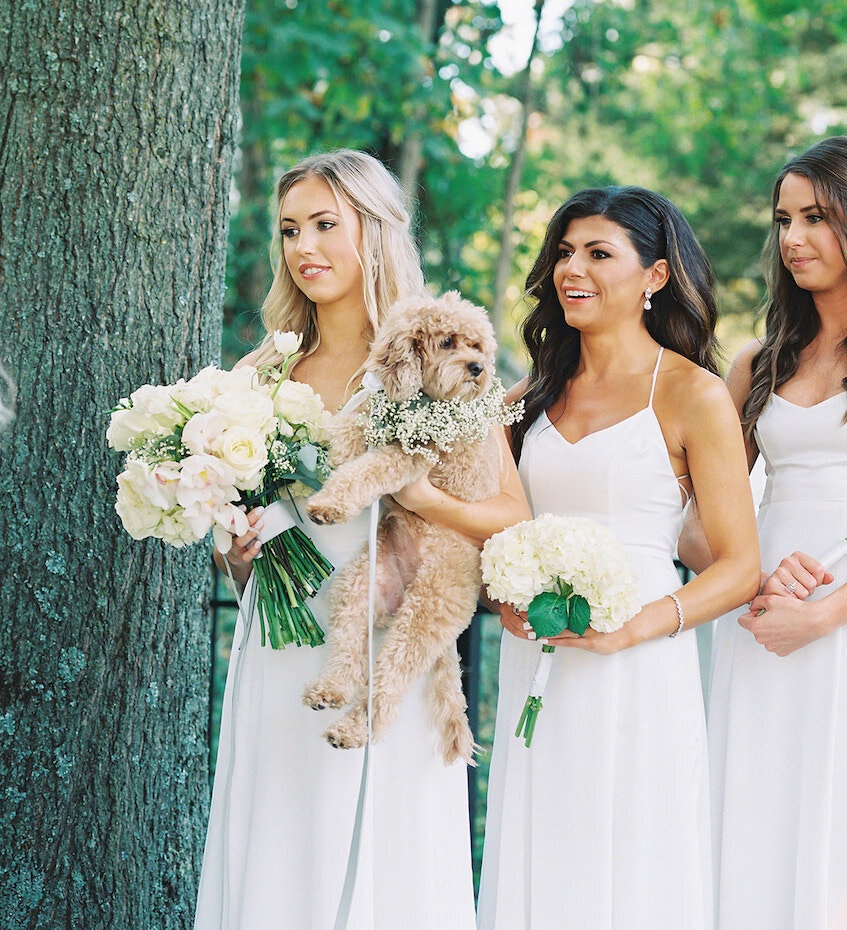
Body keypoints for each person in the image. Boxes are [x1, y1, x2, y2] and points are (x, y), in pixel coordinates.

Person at [194, 149, 530, 930]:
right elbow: (240, 523)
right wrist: (235, 553)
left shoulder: (432, 353)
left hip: (385, 631)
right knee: (280, 835)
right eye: (288, 230)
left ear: (372, 233)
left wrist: (417, 497)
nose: (303, 247)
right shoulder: (265, 370)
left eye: (323, 225)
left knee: (386, 837)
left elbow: (510, 511)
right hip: (279, 641)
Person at [476, 186, 760, 930]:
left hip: (639, 663)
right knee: (539, 842)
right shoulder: (522, 399)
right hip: (535, 658)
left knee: (635, 852)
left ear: (654, 277)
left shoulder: (693, 394)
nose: (572, 268)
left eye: (599, 253)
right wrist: (497, 595)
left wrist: (634, 628)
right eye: (564, 252)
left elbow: (736, 565)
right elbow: (485, 528)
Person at [706, 136, 847, 930]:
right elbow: (695, 515)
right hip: (759, 618)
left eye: (817, 217)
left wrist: (822, 614)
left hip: (835, 619)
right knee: (755, 808)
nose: (792, 238)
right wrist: (750, 579)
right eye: (783, 219)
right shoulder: (759, 363)